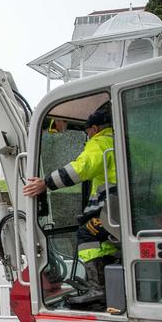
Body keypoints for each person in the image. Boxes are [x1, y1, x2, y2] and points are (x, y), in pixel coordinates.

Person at [23, 105, 118, 307]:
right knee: (104, 238)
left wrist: (45, 183)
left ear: (93, 128)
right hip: (140, 212)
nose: (87, 136)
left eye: (87, 132)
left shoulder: (101, 142)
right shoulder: (125, 142)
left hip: (116, 214)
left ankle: (97, 288)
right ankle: (110, 283)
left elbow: (79, 169)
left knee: (87, 233)